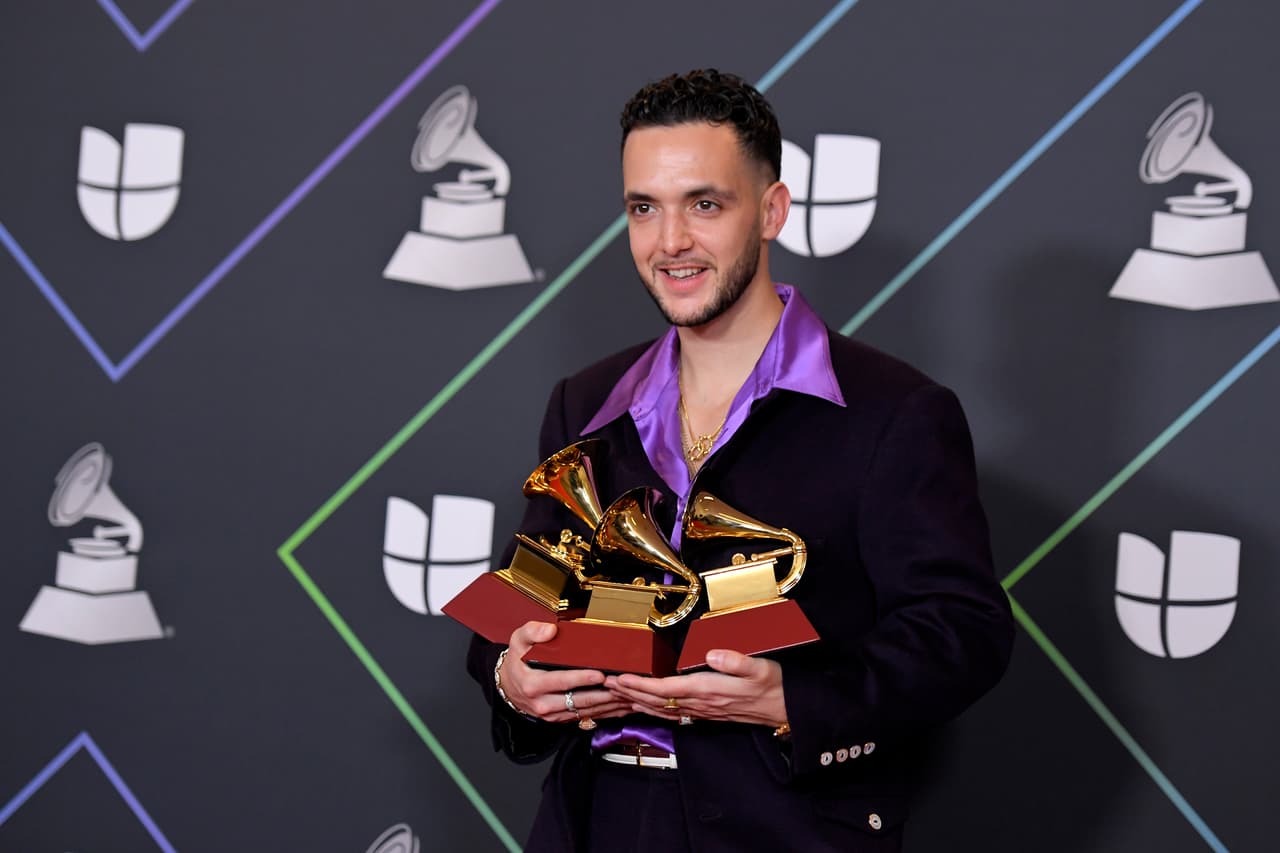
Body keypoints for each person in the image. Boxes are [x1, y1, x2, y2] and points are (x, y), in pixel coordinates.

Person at [466, 68, 1014, 852]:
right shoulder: (582, 401)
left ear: (772, 211)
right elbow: (518, 601)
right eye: (644, 208)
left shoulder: (895, 411)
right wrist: (510, 676)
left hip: (783, 829)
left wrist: (796, 700)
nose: (670, 242)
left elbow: (963, 629)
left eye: (705, 204)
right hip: (593, 823)